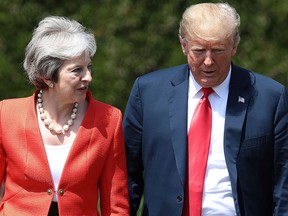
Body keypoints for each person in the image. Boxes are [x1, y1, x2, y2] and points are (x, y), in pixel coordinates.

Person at [123, 2, 288, 216]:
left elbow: (283, 182)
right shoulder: (148, 93)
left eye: (218, 50)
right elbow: (127, 175)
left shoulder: (270, 98)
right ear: (183, 45)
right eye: (199, 51)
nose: (208, 61)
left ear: (234, 46)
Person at [0, 16, 129, 215]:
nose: (88, 77)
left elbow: (115, 204)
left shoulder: (109, 119)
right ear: (47, 76)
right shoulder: (6, 115)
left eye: (88, 67)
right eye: (77, 70)